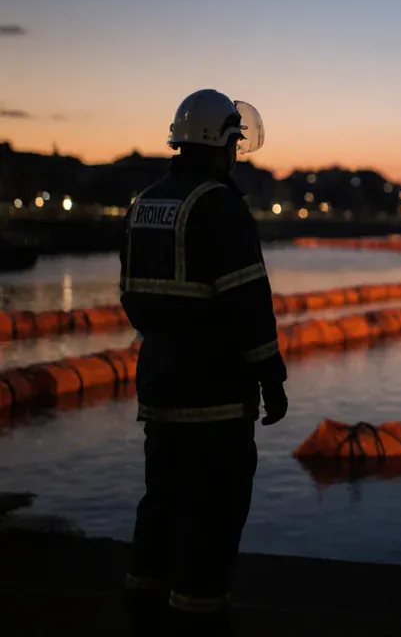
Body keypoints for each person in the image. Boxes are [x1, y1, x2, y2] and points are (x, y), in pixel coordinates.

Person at [120, 89, 288, 636]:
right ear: (220, 143)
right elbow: (248, 302)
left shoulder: (145, 203)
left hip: (159, 384)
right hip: (215, 391)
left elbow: (132, 296)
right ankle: (199, 618)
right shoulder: (219, 203)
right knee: (212, 513)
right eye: (235, 142)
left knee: (161, 502)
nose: (237, 153)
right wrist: (272, 377)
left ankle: (143, 608)